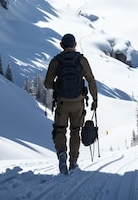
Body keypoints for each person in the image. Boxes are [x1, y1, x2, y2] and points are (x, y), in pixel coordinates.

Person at [44, 33, 97, 174]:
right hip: (78, 103)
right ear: (75, 45)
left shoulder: (57, 61)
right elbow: (91, 80)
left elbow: (47, 84)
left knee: (60, 129)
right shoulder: (81, 60)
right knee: (75, 131)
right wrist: (95, 99)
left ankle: (62, 153)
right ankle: (73, 161)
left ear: (61, 45)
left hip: (62, 103)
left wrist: (57, 86)